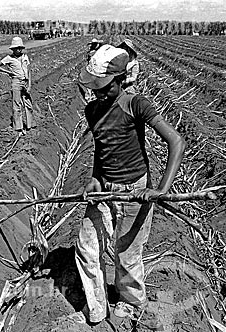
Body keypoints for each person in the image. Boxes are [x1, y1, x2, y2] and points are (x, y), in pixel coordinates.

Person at [76, 45, 186, 326]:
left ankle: (131, 301)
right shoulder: (92, 110)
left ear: (120, 79)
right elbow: (102, 150)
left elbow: (176, 141)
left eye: (105, 87)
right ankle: (97, 307)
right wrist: (94, 178)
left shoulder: (136, 104)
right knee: (87, 248)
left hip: (134, 192)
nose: (99, 93)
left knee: (127, 255)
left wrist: (161, 189)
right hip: (105, 190)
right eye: (96, 88)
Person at [0, 36, 35, 135]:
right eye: (16, 48)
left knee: (28, 104)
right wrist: (8, 72)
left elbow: (29, 71)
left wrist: (29, 85)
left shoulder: (25, 57)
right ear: (13, 49)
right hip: (16, 82)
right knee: (17, 105)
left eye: (20, 48)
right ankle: (18, 127)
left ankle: (31, 125)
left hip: (25, 82)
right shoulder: (9, 58)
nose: (19, 50)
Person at [78, 38, 105, 105]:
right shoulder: (92, 52)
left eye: (94, 44)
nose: (92, 46)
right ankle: (89, 97)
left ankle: (92, 97)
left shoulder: (97, 52)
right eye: (92, 44)